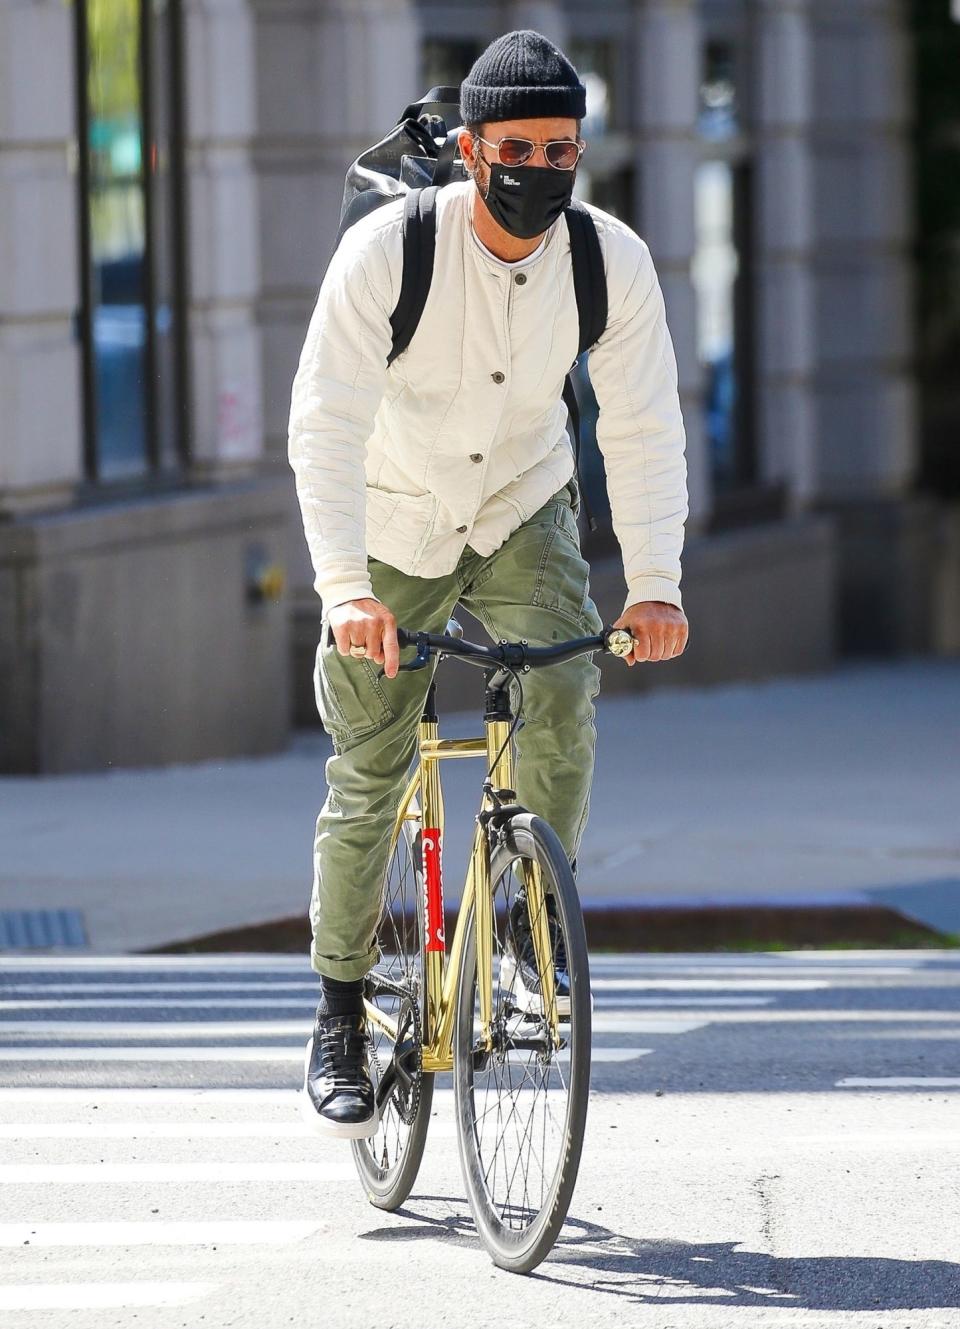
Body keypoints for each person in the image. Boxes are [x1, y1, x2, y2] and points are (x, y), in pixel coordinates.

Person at [288, 29, 689, 1138]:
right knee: (370, 766)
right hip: (393, 523)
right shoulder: (387, 254)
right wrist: (342, 593)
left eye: (561, 149)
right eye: (517, 147)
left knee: (563, 694)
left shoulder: (609, 261)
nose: (540, 169)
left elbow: (646, 424)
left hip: (522, 508)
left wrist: (653, 584)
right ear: (471, 149)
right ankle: (337, 1005)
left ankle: (524, 928)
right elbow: (324, 424)